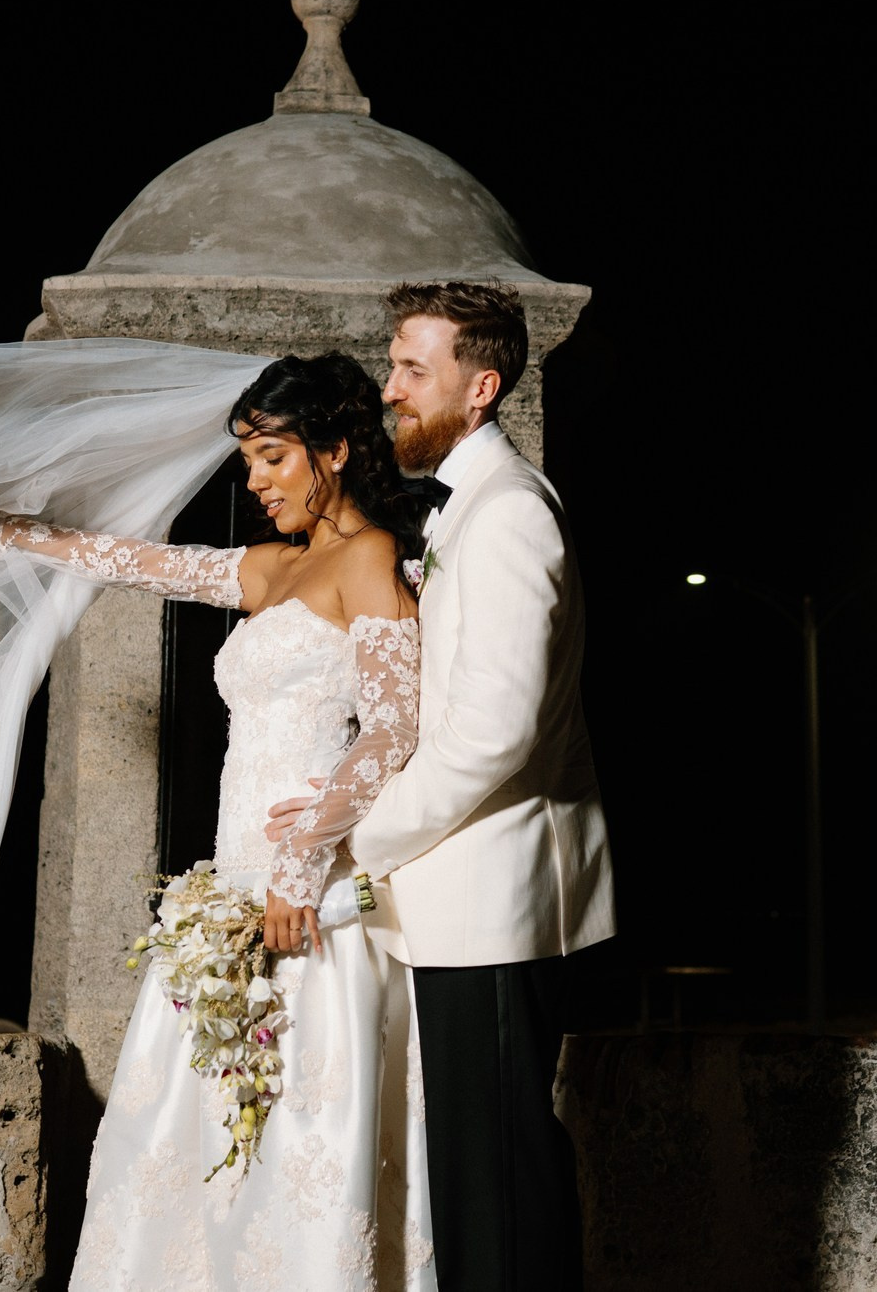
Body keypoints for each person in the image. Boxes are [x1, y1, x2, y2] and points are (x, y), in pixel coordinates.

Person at [0, 352, 438, 1289]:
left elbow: (394, 725)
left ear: (334, 450)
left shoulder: (370, 558)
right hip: (228, 887)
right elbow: (143, 564)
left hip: (307, 896)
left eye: (272, 457)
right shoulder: (275, 568)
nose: (253, 482)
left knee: (299, 1132)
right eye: (247, 459)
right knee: (196, 1127)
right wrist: (9, 537)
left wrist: (302, 862)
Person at [267, 281, 615, 1292]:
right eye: (392, 364)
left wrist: (356, 842)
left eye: (413, 369)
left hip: (493, 904)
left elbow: (492, 736)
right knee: (478, 1178)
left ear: (482, 386)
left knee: (497, 1184)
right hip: (468, 902)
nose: (390, 389)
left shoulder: (508, 517)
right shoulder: (470, 510)